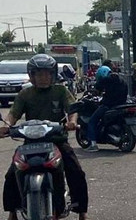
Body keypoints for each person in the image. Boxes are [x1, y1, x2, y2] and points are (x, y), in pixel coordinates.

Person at [0, 54, 89, 220]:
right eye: (38, 74)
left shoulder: (61, 91)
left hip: (57, 141)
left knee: (76, 172)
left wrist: (72, 122)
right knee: (11, 174)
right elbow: (13, 113)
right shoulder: (25, 94)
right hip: (30, 142)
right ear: (31, 75)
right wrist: (6, 126)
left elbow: (72, 109)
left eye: (47, 73)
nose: (43, 77)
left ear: (53, 74)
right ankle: (12, 211)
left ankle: (82, 211)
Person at [86, 65, 128, 152]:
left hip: (108, 105)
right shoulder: (122, 80)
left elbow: (97, 87)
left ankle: (93, 144)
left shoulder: (106, 80)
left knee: (92, 121)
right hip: (122, 105)